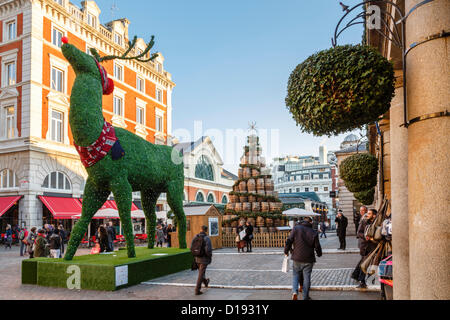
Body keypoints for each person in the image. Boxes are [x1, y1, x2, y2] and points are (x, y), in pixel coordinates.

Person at [284, 217, 322, 300]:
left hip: (297, 257)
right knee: (307, 277)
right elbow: (317, 246)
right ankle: (305, 296)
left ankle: (294, 291)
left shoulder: (296, 228)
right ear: (311, 223)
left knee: (295, 275)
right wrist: (319, 254)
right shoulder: (313, 232)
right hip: (309, 258)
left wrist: (286, 251)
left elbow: (289, 240)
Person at [353, 208, 378, 288]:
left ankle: (357, 276)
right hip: (365, 246)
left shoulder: (377, 223)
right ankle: (362, 281)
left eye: (369, 213)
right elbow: (358, 233)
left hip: (373, 246)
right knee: (365, 263)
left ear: (374, 215)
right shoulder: (364, 222)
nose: (367, 215)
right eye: (367, 213)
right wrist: (365, 236)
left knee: (368, 262)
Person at [191, 225, 212, 295]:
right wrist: (209, 256)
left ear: (200, 229)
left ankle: (205, 282)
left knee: (201, 272)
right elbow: (208, 250)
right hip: (204, 259)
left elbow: (191, 247)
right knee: (201, 273)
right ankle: (197, 290)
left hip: (197, 258)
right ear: (206, 230)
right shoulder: (207, 238)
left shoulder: (195, 237)